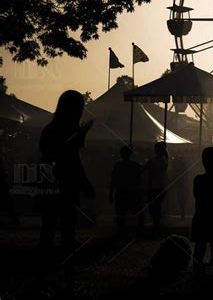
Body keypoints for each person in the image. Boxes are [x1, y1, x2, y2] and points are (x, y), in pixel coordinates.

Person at [38, 90, 95, 274]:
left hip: (50, 184)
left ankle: (44, 270)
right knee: (67, 231)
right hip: (67, 185)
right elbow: (73, 159)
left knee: (48, 228)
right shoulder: (69, 130)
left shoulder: (49, 129)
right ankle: (68, 272)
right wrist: (86, 184)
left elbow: (46, 157)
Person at [192, 147, 213, 274]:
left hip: (200, 216)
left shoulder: (198, 179)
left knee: (199, 248)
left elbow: (197, 196)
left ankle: (197, 272)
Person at [109, 145, 144, 238]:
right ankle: (138, 231)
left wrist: (110, 194)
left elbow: (113, 180)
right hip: (132, 192)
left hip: (122, 192)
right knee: (137, 213)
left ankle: (122, 232)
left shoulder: (118, 165)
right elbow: (141, 174)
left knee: (121, 214)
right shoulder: (135, 165)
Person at [144, 141, 168, 236]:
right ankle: (156, 226)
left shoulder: (154, 161)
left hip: (154, 187)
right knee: (157, 208)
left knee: (153, 208)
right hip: (160, 187)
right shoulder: (164, 160)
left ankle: (156, 226)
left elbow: (144, 168)